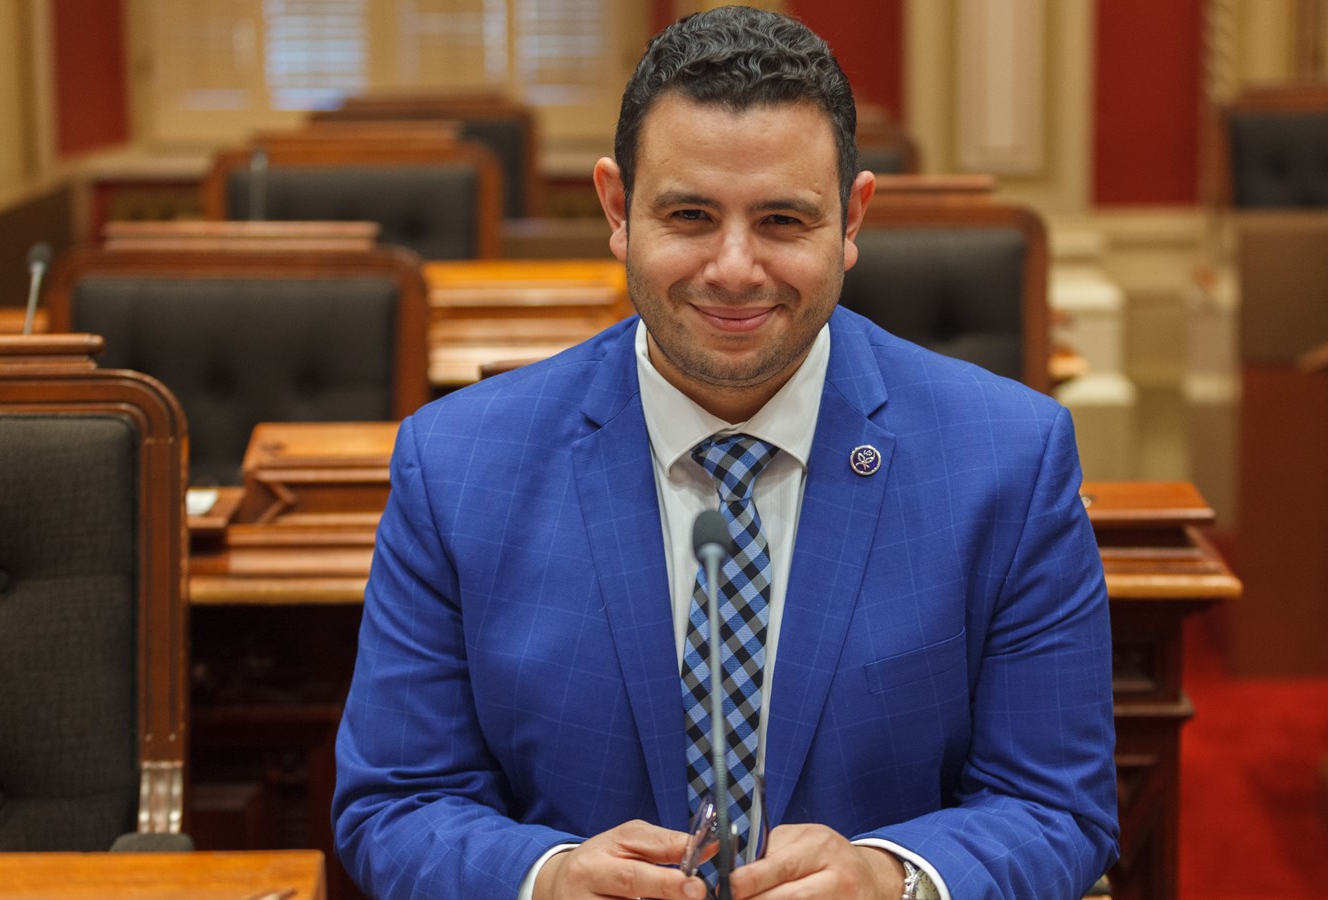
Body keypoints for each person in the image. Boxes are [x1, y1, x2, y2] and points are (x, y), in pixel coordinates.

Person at [333, 7, 1119, 899]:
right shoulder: (456, 465)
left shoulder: (1009, 459)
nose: (735, 269)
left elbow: (1056, 805)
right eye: (690, 215)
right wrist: (543, 880)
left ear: (852, 218)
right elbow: (397, 801)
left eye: (783, 219)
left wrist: (894, 881)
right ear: (618, 209)